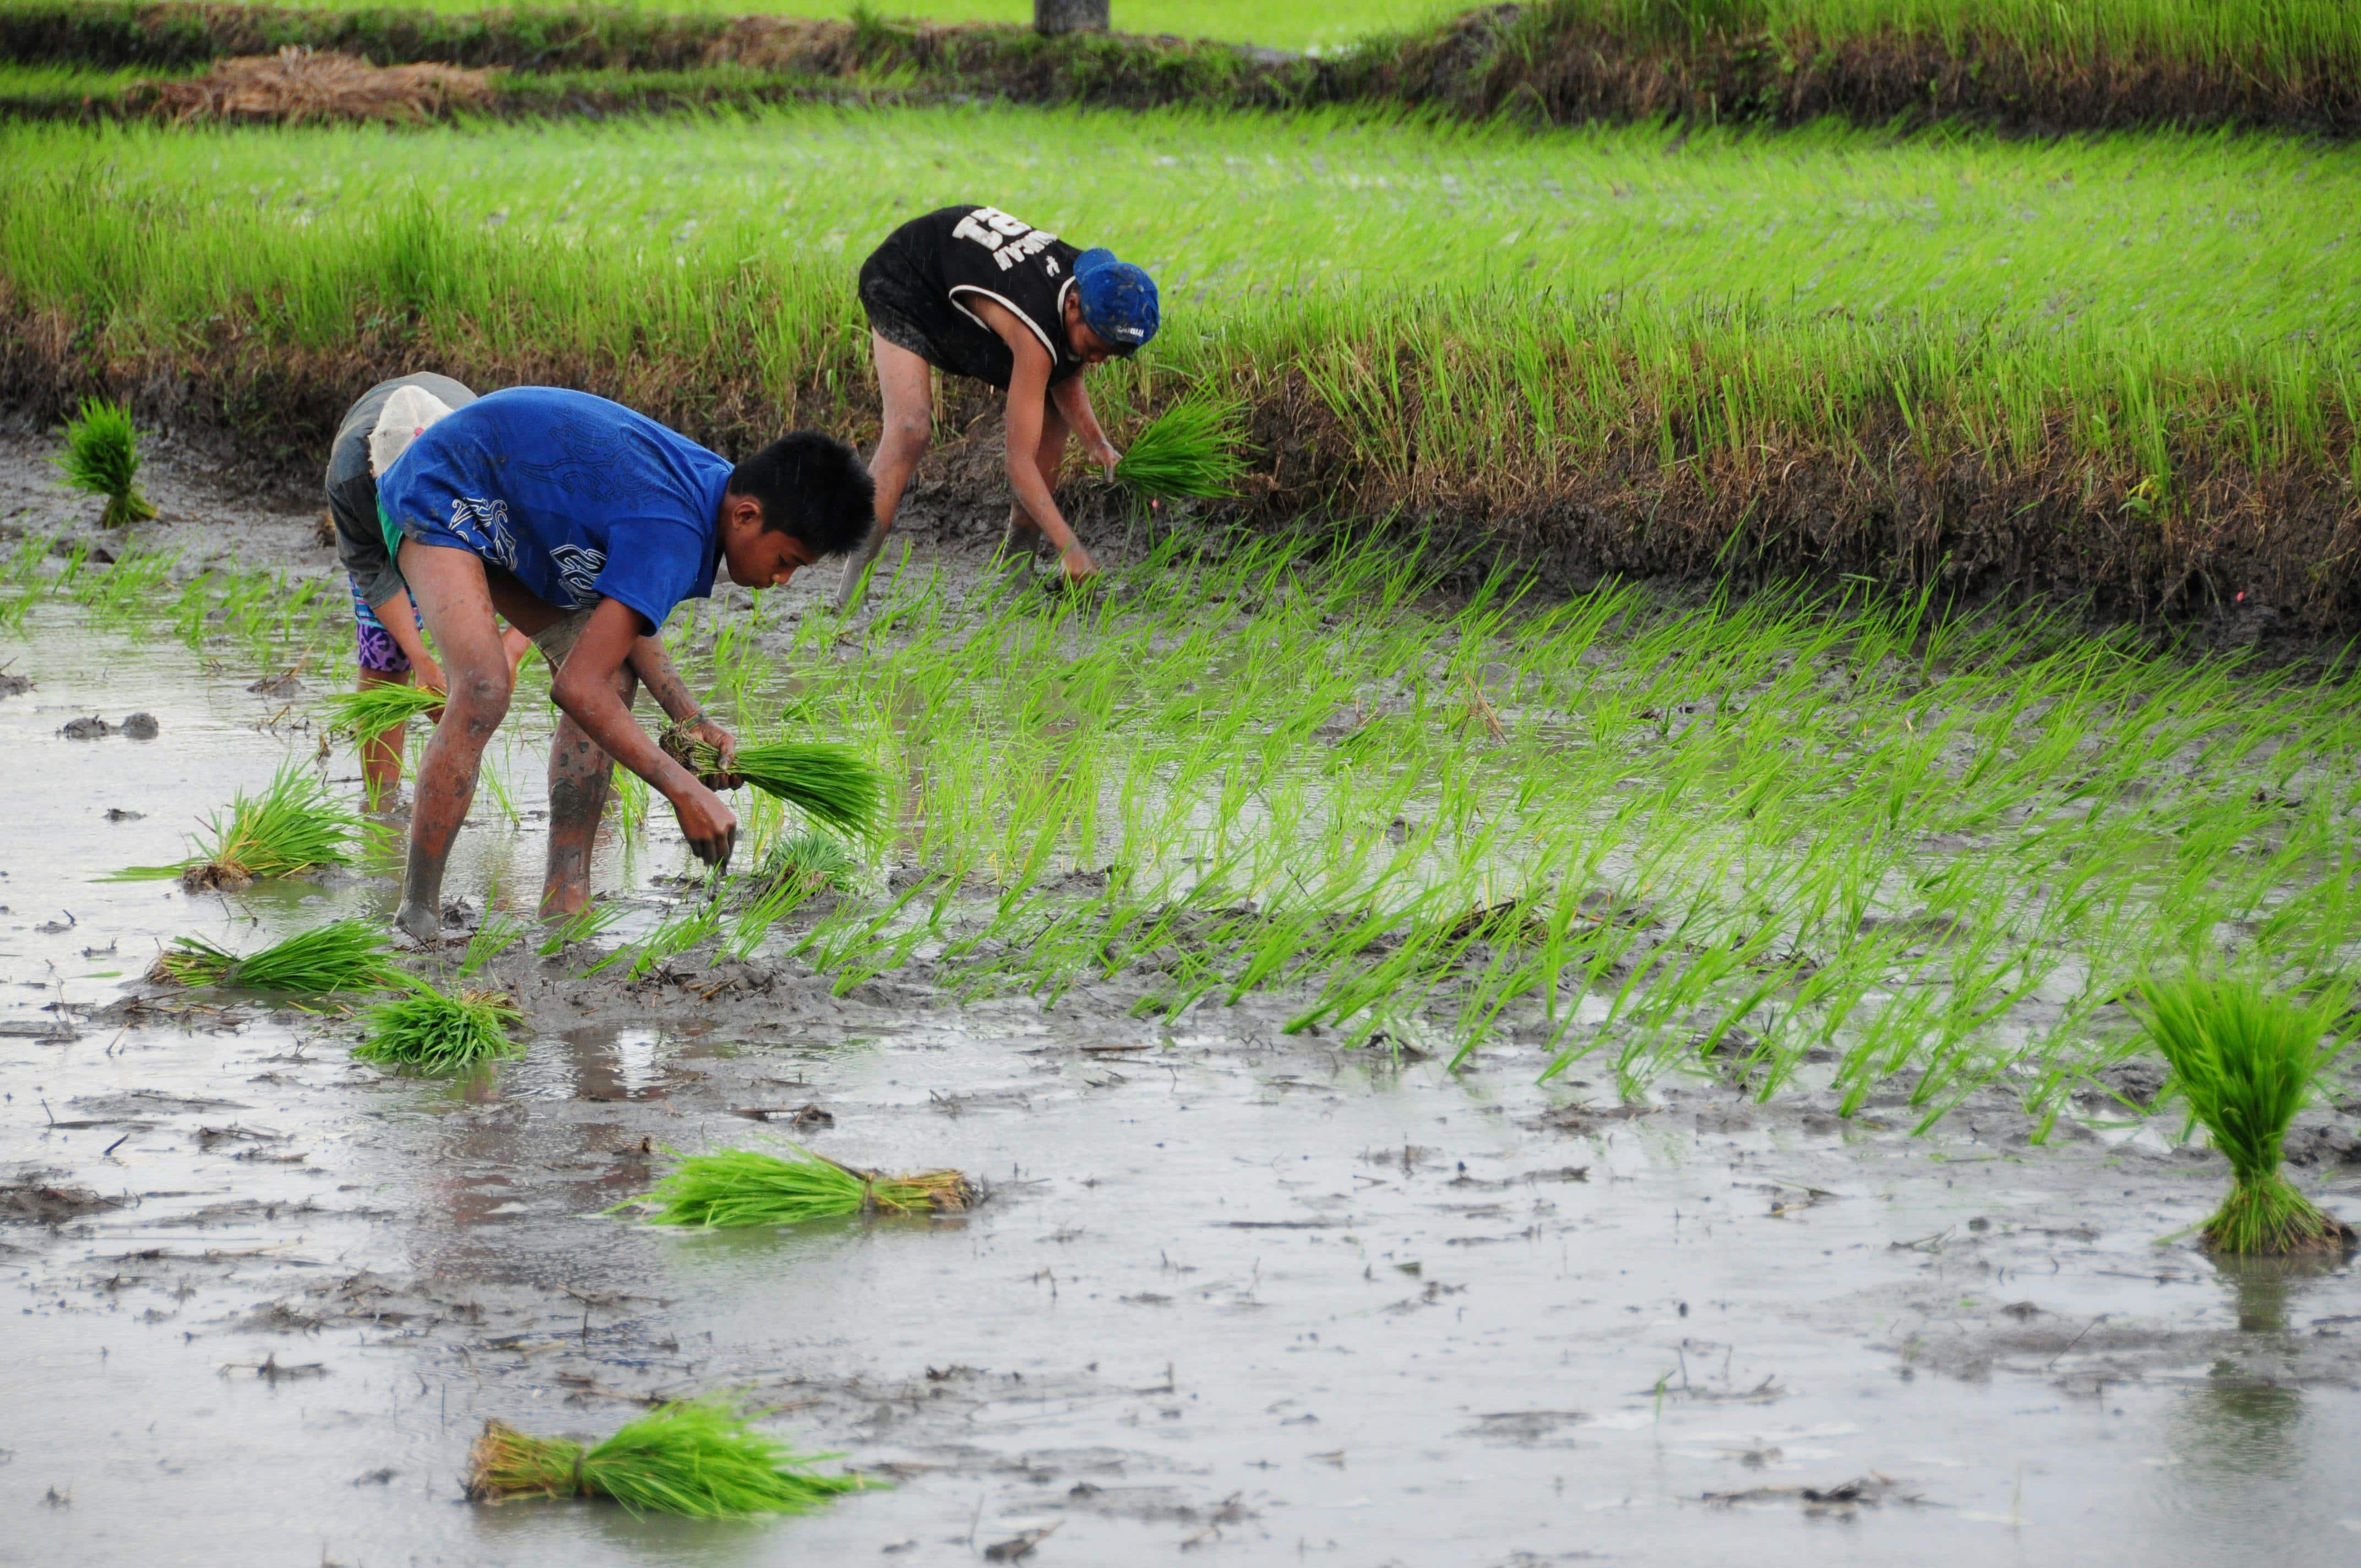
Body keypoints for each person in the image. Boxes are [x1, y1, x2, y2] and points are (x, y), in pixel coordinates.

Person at [374, 387, 874, 939]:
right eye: (785, 561)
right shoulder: (677, 529)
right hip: (442, 488)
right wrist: (684, 791)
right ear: (748, 515)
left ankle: (565, 900)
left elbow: (616, 629)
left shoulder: (714, 496)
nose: (782, 581)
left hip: (519, 519)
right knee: (485, 686)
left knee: (612, 678)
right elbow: (575, 687)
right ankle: (416, 912)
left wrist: (690, 717)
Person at [835, 203, 1160, 610]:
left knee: (1053, 404)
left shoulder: (1091, 285)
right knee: (910, 429)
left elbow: (1070, 368)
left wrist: (1098, 443)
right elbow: (1018, 463)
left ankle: (1015, 573)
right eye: (1096, 347)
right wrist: (1071, 548)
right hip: (907, 278)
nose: (1097, 360)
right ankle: (849, 593)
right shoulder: (1037, 324)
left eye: (1109, 355)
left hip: (968, 274)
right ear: (1074, 306)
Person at [323, 373, 532, 801]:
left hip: (470, 515)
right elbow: (369, 569)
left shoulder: (494, 460)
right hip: (382, 524)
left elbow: (544, 559)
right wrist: (422, 661)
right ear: (375, 470)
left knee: (507, 651)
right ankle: (382, 807)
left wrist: (509, 650)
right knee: (385, 659)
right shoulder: (350, 478)